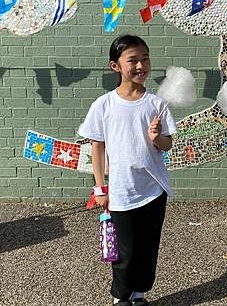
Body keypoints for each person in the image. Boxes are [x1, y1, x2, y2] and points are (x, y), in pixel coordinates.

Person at [78, 34, 177, 306]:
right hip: (121, 192)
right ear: (115, 66)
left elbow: (167, 144)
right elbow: (96, 148)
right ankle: (120, 296)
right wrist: (100, 187)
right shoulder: (104, 105)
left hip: (154, 190)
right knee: (125, 251)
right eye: (132, 60)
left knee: (148, 248)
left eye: (145, 58)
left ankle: (139, 293)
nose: (140, 65)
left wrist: (156, 136)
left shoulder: (157, 104)